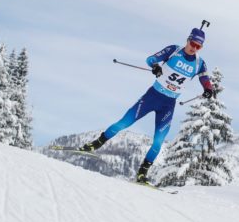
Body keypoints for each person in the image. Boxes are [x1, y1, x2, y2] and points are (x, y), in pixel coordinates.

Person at [80, 27, 215, 184]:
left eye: (198, 46)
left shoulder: (200, 63)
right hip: (152, 96)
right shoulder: (173, 51)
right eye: (193, 43)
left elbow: (205, 79)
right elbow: (150, 59)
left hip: (168, 105)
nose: (194, 48)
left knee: (158, 141)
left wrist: (208, 89)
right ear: (188, 40)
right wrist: (155, 66)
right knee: (124, 123)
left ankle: (142, 174)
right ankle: (95, 144)